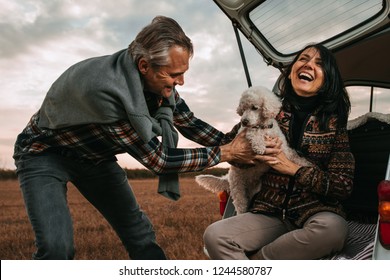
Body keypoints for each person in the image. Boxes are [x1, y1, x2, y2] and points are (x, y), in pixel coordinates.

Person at [13, 16, 259, 260]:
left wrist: (236, 137)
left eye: (183, 73)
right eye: (175, 74)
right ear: (144, 66)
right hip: (43, 154)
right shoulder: (106, 92)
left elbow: (190, 123)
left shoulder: (159, 84)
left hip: (94, 158)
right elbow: (159, 160)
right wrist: (227, 153)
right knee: (57, 249)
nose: (181, 82)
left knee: (140, 235)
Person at [203, 43, 355, 260]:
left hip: (315, 211)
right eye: (303, 59)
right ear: (292, 70)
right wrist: (251, 155)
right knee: (215, 235)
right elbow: (231, 148)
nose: (308, 65)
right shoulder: (264, 107)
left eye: (318, 64)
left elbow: (343, 186)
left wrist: (291, 167)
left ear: (327, 79)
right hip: (269, 212)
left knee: (333, 231)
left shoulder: (334, 125)